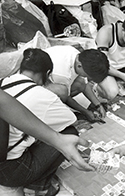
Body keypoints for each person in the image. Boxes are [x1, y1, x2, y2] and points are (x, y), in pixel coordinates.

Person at [0, 48, 94, 196]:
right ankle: (39, 186)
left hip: (3, 157)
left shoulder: (5, 81)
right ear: (48, 74)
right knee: (68, 132)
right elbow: (70, 119)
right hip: (11, 171)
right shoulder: (44, 95)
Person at [44, 45, 110, 122]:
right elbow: (66, 97)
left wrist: (98, 105)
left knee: (81, 83)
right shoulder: (63, 74)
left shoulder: (79, 57)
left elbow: (85, 84)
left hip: (53, 76)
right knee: (62, 92)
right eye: (89, 76)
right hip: (38, 85)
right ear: (79, 66)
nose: (89, 79)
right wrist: (86, 112)